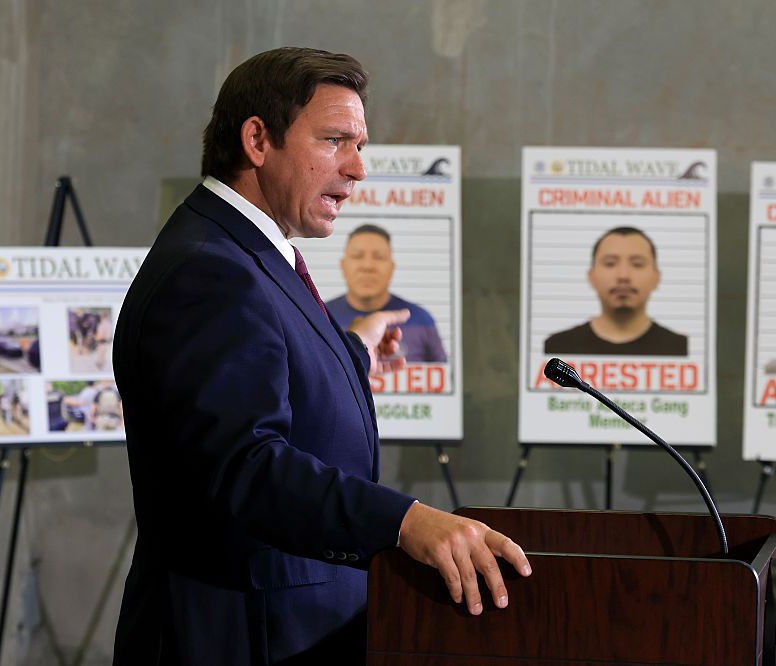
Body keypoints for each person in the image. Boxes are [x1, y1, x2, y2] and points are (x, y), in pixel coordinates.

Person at [112, 47, 530, 665]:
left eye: (360, 146)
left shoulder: (241, 250)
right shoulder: (210, 271)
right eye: (335, 141)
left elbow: (263, 374)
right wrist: (405, 522)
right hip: (241, 637)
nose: (357, 169)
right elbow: (246, 465)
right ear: (258, 140)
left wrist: (351, 351)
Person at [544, 226, 688, 355]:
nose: (623, 276)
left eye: (637, 264)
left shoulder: (681, 349)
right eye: (610, 263)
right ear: (591, 276)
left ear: (657, 277)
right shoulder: (557, 348)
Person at [325, 224, 447, 362]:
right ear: (343, 265)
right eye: (357, 256)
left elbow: (445, 371)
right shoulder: (321, 316)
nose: (368, 266)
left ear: (392, 267)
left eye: (379, 257)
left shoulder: (421, 320)